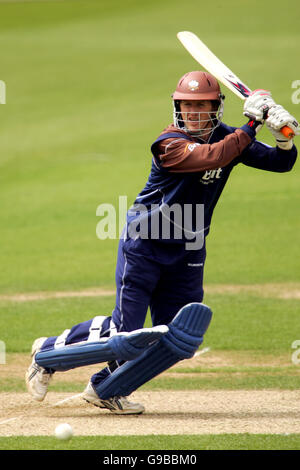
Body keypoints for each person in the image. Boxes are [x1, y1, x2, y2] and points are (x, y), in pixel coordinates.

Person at [26, 71, 299, 415]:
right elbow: (210, 157)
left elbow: (280, 163)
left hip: (188, 250)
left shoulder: (229, 138)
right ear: (177, 107)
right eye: (187, 105)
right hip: (145, 246)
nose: (194, 112)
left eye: (202, 105)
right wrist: (252, 122)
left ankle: (107, 389)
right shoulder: (168, 143)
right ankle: (49, 351)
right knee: (125, 335)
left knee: (175, 338)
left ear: (216, 107)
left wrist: (282, 137)